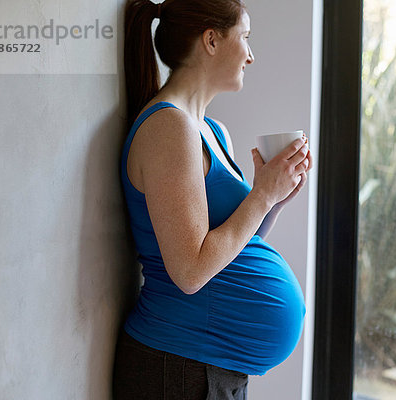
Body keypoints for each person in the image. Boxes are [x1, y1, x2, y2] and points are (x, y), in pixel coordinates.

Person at [112, 0, 313, 399]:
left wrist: (274, 199)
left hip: (204, 366)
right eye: (246, 38)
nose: (251, 56)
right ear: (211, 40)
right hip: (179, 364)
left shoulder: (211, 131)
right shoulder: (168, 127)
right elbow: (190, 271)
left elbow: (227, 246)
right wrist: (260, 195)